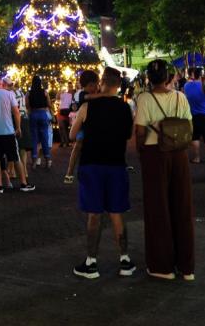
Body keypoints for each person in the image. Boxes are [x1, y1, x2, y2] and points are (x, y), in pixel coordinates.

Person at [71, 67, 136, 279]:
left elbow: (73, 134)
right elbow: (128, 135)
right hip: (116, 164)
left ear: (102, 82)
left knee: (94, 214)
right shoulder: (125, 109)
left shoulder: (88, 106)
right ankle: (124, 259)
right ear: (118, 85)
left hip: (92, 165)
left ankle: (91, 263)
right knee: (117, 213)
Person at [133, 59, 194, 281]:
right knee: (182, 206)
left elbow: (139, 132)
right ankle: (186, 267)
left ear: (149, 78)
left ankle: (162, 266)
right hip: (179, 154)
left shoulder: (145, 98)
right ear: (168, 77)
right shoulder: (181, 97)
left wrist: (140, 151)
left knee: (158, 207)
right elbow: (189, 125)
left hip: (154, 153)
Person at [0, 76, 35, 194]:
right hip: (8, 131)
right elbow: (16, 112)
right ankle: (24, 183)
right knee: (15, 158)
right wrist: (18, 127)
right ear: (2, 84)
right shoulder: (9, 95)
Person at [64, 70, 99, 184]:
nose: (95, 88)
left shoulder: (92, 92)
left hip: (91, 123)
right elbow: (89, 97)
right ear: (86, 85)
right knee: (78, 145)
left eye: (96, 84)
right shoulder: (82, 94)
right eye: (92, 85)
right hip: (82, 124)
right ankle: (69, 172)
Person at [183, 67, 205, 165]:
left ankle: (197, 158)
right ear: (201, 75)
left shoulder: (186, 85)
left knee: (195, 137)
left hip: (193, 114)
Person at [26, 75, 53, 169]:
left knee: (34, 139)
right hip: (43, 114)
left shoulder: (29, 93)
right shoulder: (45, 92)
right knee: (45, 138)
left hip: (33, 114)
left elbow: (27, 106)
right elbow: (49, 104)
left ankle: (34, 161)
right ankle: (48, 160)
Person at [57, 82, 75, 147]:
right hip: (61, 111)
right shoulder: (64, 94)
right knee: (61, 128)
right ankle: (63, 142)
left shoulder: (73, 94)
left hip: (69, 112)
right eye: (69, 86)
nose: (70, 88)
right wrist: (60, 89)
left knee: (67, 128)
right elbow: (57, 97)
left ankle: (67, 142)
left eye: (71, 86)